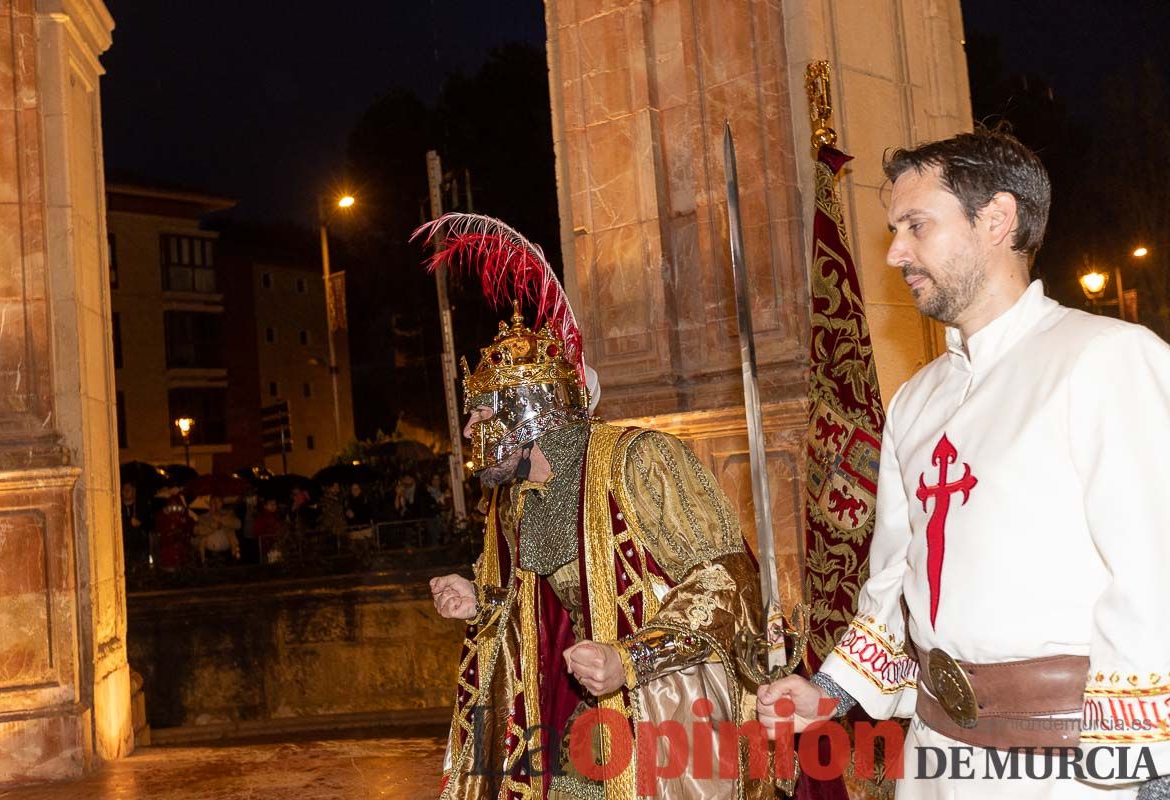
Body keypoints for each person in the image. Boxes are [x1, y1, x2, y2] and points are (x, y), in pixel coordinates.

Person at [756, 130, 1170, 798]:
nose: (895, 252)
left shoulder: (1105, 359)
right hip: (935, 757)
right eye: (895, 230)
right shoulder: (919, 400)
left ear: (996, 220)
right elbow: (899, 573)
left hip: (1069, 771)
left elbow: (1157, 574)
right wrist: (829, 691)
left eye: (917, 226)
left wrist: (1150, 772)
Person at [430, 304, 768, 799]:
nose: (467, 433)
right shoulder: (515, 500)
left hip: (678, 701)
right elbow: (535, 616)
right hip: (591, 713)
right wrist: (479, 599)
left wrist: (632, 659)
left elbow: (727, 579)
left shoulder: (641, 459)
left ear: (528, 409)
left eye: (481, 412)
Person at [192, 495, 241, 565]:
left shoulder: (228, 514)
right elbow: (196, 531)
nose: (216, 505)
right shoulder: (203, 517)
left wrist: (221, 520)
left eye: (218, 502)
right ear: (209, 504)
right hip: (208, 555)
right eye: (213, 502)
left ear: (222, 503)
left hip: (228, 555)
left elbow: (238, 524)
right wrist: (212, 527)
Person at [120, 481, 151, 570]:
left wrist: (140, 523)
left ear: (134, 491)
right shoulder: (119, 506)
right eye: (124, 489)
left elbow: (148, 524)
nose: (126, 491)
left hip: (139, 548)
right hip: (125, 548)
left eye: (128, 489)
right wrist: (129, 521)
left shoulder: (141, 507)